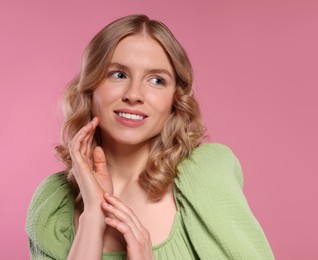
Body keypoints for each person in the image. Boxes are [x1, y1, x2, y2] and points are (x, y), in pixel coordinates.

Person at [25, 14, 274, 260]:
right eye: (118, 74)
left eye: (156, 80)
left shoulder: (206, 172)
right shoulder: (54, 203)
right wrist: (92, 217)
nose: (134, 95)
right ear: (90, 87)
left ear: (174, 99)